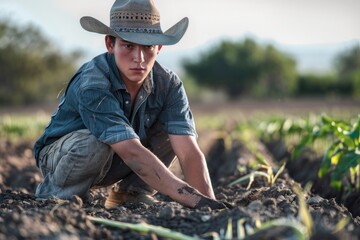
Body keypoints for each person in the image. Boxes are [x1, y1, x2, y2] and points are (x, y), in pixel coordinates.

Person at [33, 0, 226, 210]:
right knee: (94, 144)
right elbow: (131, 152)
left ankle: (131, 193)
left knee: (173, 130)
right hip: (63, 156)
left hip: (116, 157)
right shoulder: (93, 83)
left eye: (148, 46)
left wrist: (211, 205)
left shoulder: (168, 84)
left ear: (159, 48)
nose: (139, 58)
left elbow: (189, 151)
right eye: (128, 45)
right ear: (110, 44)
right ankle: (57, 196)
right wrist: (193, 199)